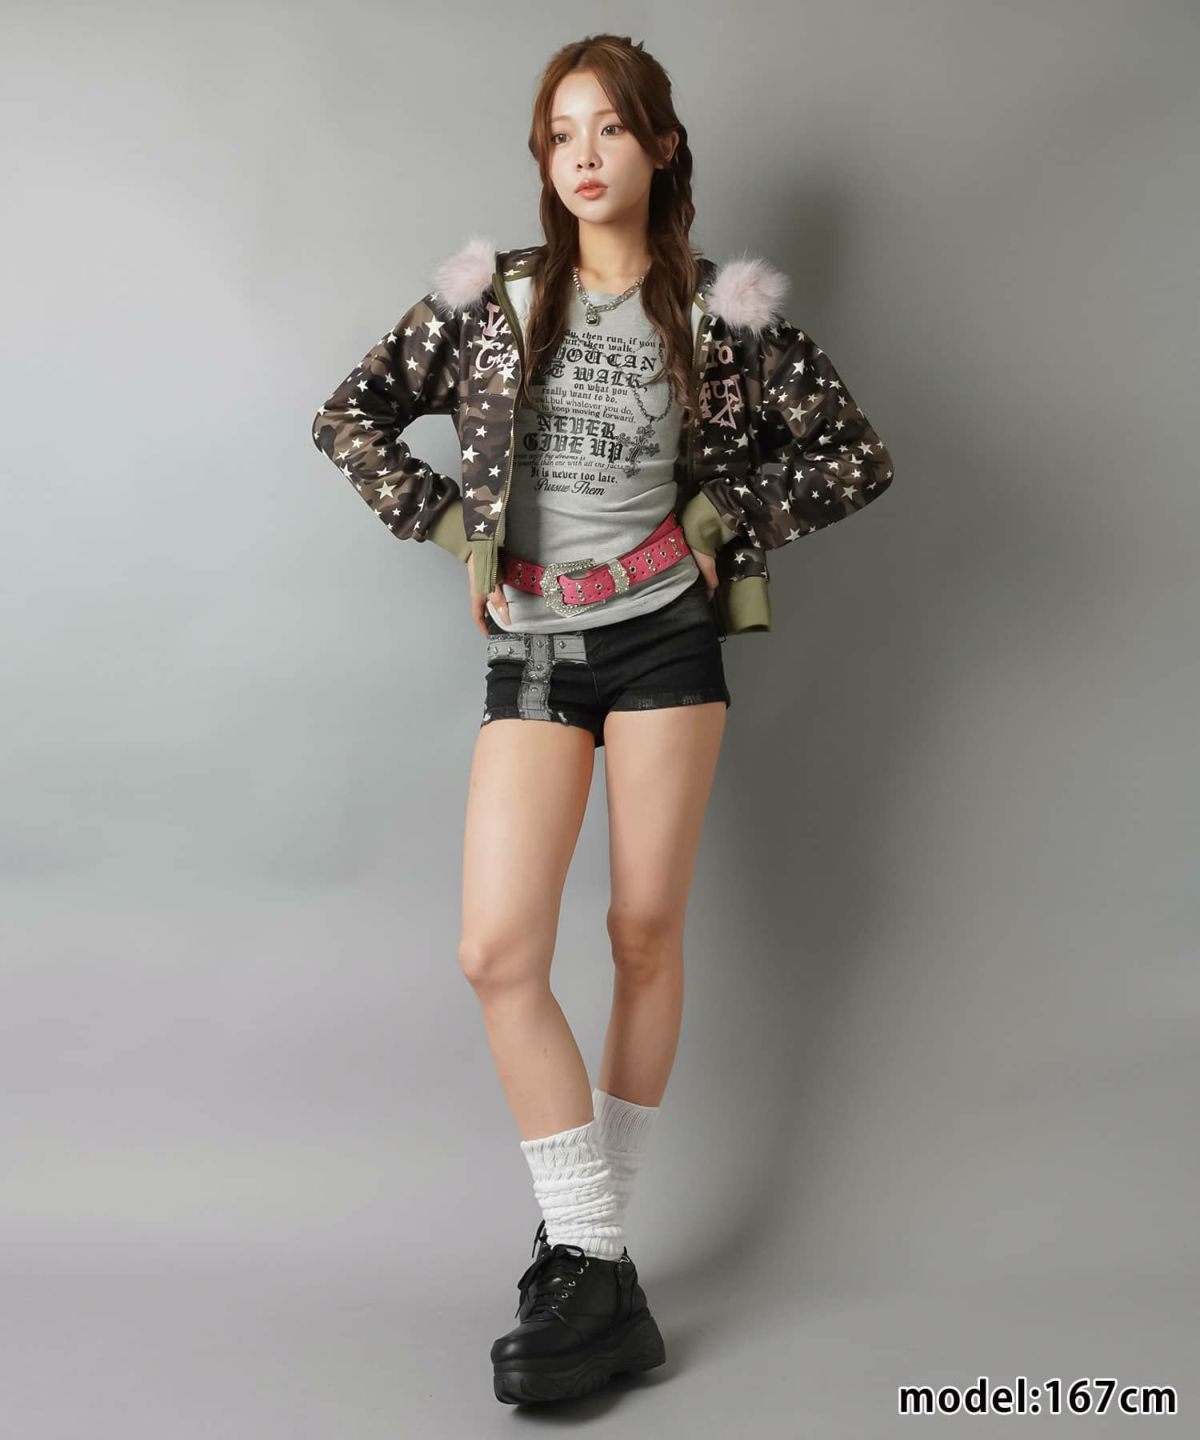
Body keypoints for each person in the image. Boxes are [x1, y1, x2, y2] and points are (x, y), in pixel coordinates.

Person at [311, 32, 895, 1407]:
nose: (583, 156)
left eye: (610, 130)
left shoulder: (718, 316)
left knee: (642, 933)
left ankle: (584, 1264)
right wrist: (455, 529)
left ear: (661, 147)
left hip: (663, 640)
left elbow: (852, 454)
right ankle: (598, 1261)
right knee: (497, 951)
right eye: (561, 133)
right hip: (537, 642)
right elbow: (352, 418)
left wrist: (723, 520)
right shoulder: (496, 303)